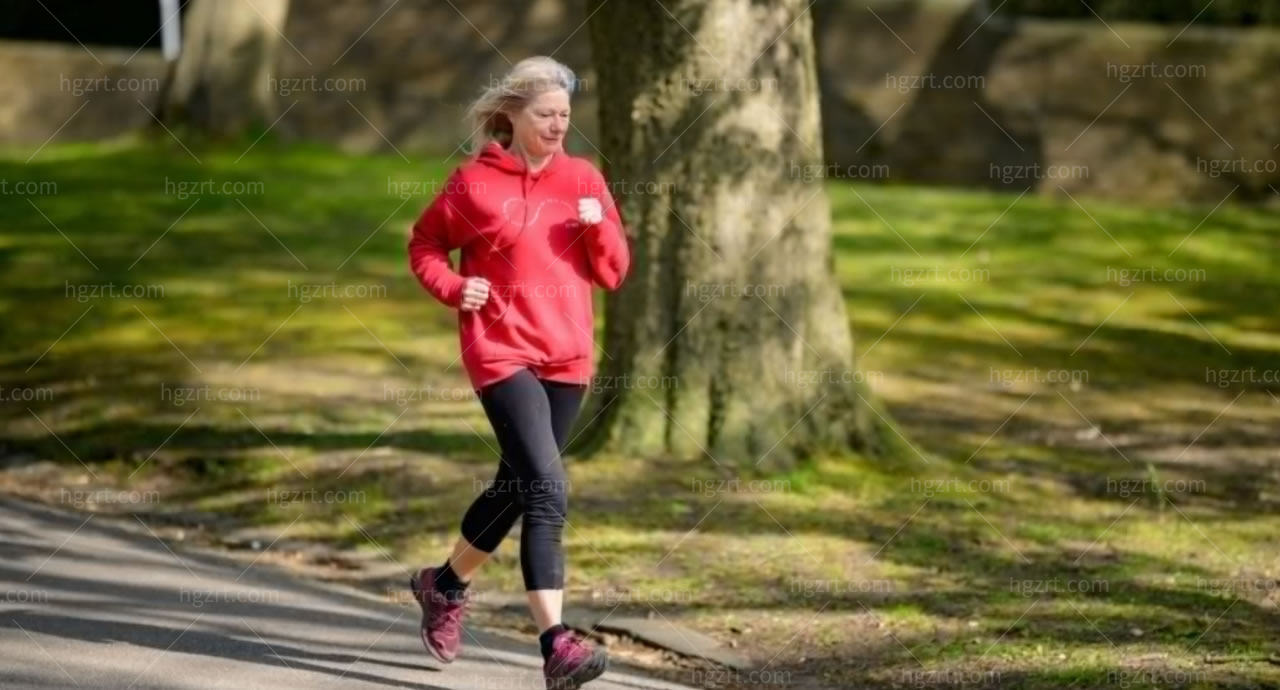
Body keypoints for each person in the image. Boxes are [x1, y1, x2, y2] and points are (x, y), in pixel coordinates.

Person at [406, 55, 630, 690]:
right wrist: (454, 286)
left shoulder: (585, 179)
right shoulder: (473, 183)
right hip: (500, 350)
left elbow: (614, 272)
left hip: (568, 355)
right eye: (545, 114)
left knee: (516, 486)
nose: (558, 125)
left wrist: (599, 229)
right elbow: (424, 244)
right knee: (548, 489)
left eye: (564, 114)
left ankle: (443, 585)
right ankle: (556, 643)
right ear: (511, 114)